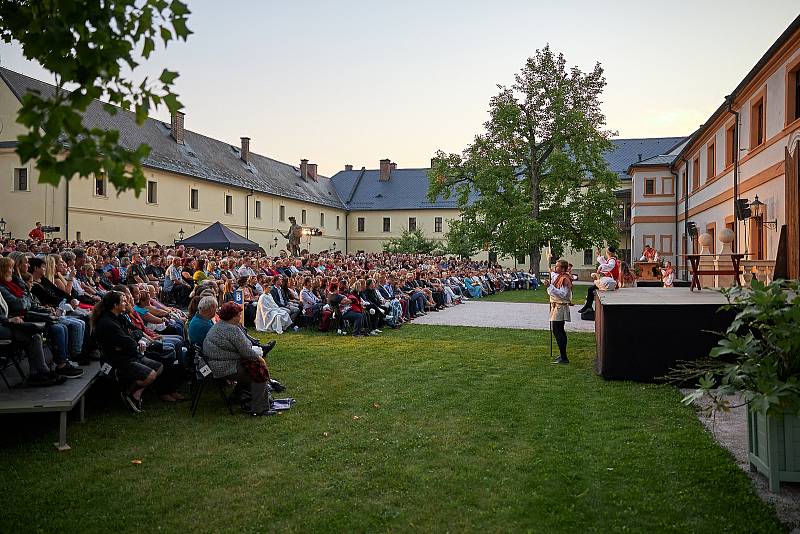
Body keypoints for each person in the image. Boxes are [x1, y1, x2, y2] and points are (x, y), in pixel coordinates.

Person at [92, 291, 163, 412]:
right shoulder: (107, 323)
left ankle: (135, 393)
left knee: (159, 367)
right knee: (151, 375)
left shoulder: (118, 317)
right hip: (117, 361)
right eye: (123, 301)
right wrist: (132, 342)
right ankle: (128, 392)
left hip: (129, 354)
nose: (126, 303)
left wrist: (131, 341)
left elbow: (136, 331)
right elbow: (126, 342)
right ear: (115, 305)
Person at [203, 302, 275, 416]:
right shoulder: (231, 330)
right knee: (259, 372)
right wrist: (261, 359)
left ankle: (238, 396)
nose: (240, 316)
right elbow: (247, 352)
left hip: (216, 364)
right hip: (224, 367)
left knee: (252, 367)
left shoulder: (220, 325)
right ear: (232, 316)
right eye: (238, 315)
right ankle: (259, 409)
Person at [544, 259, 572, 364]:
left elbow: (563, 294)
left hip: (560, 307)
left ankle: (564, 357)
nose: (556, 268)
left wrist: (549, 286)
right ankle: (562, 355)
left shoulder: (564, 279)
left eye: (558, 266)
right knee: (559, 330)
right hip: (557, 306)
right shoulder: (560, 277)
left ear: (563, 268)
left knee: (558, 330)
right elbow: (553, 276)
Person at [578, 246, 619, 314]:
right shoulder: (612, 259)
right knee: (591, 289)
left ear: (608, 252)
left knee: (590, 289)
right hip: (609, 282)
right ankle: (588, 306)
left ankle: (588, 306)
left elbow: (609, 266)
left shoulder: (612, 260)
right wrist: (599, 257)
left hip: (610, 283)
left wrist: (600, 267)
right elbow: (606, 264)